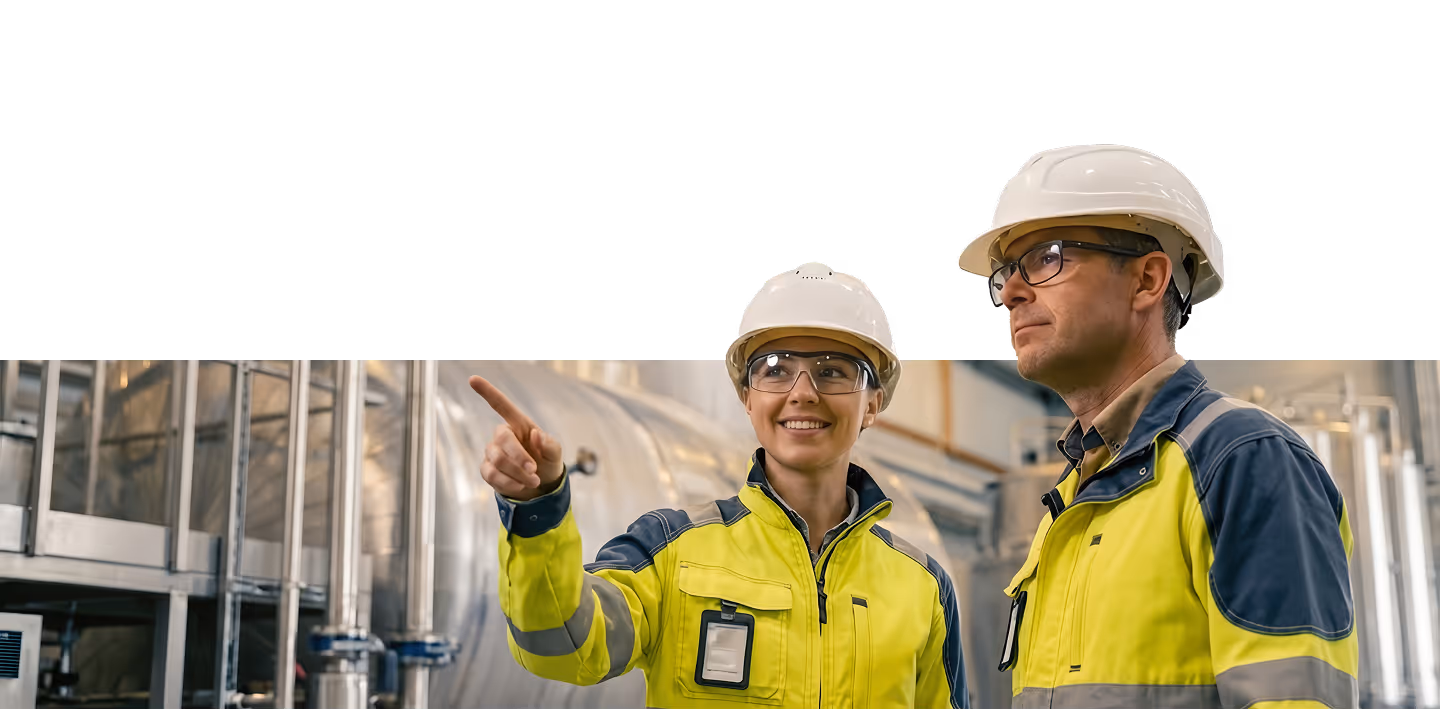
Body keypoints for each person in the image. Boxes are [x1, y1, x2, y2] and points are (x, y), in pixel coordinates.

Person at [956, 145, 1358, 708]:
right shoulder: (1073, 495)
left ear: (1146, 280)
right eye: (1005, 274)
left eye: (1046, 258)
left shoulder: (1239, 459)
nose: (1013, 293)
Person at [470, 262, 970, 708]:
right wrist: (537, 510)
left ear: (873, 403)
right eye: (775, 370)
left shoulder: (923, 587)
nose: (802, 393)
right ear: (747, 396)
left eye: (833, 371)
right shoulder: (667, 550)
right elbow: (562, 648)